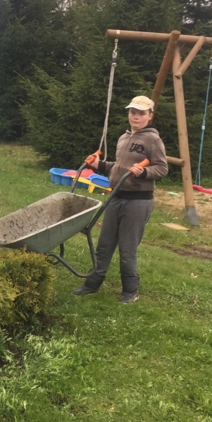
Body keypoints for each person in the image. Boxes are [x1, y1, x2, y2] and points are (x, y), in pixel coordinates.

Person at [72, 95, 168, 303]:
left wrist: (144, 172)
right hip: (116, 197)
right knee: (104, 244)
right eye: (133, 112)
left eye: (141, 113)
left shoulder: (153, 140)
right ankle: (92, 284)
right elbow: (118, 167)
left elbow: (162, 168)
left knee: (127, 248)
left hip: (138, 201)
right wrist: (99, 165)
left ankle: (130, 291)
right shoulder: (124, 138)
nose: (135, 116)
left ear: (149, 116)